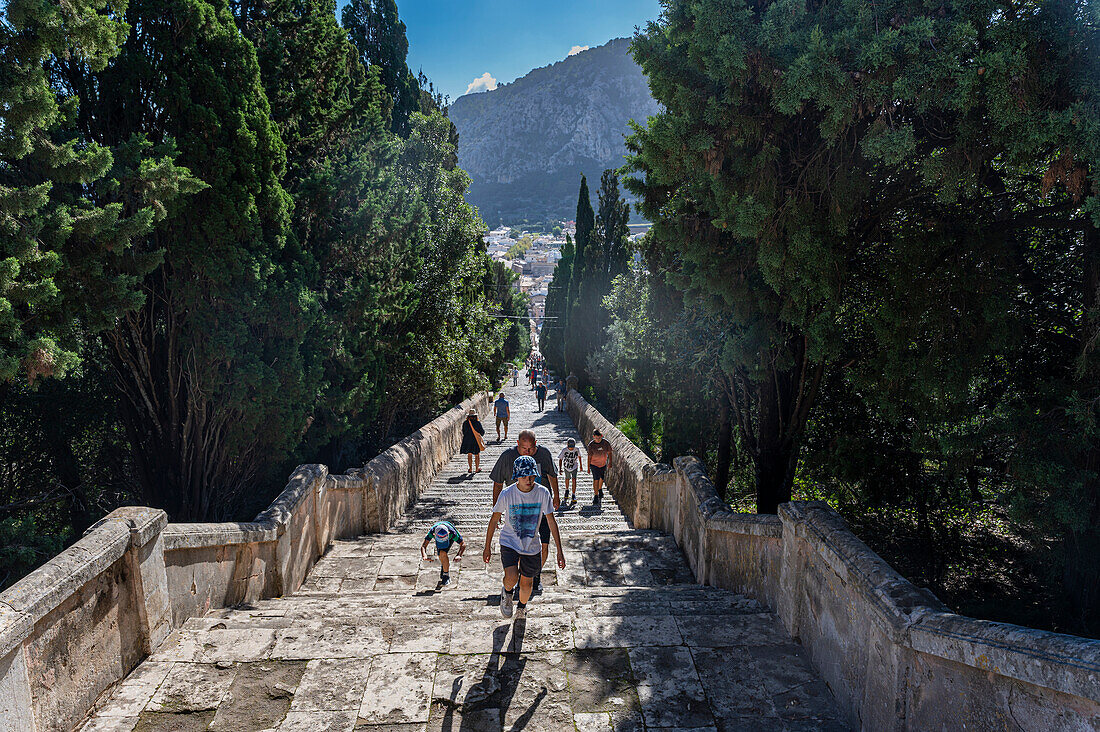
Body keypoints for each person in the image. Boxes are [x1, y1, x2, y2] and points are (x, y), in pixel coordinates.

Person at [483, 456, 565, 619]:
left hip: (532, 545)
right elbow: (494, 520)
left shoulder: (542, 492)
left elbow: (551, 521)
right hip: (509, 542)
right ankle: (507, 593)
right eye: (524, 476)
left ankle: (521, 606)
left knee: (526, 584)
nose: (528, 480)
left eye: (531, 476)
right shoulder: (507, 493)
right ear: (516, 476)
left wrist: (559, 551)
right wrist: (487, 547)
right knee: (511, 576)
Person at [490, 430, 559, 595]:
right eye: (523, 448)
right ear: (517, 443)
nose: (528, 452)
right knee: (521, 547)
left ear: (536, 444)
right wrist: (496, 509)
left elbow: (552, 475)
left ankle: (535, 576)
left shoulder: (544, 454)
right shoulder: (507, 457)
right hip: (517, 511)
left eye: (531, 448)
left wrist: (556, 496)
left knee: (543, 545)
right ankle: (520, 578)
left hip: (540, 509)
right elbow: (498, 483)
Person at [421, 520, 465, 586]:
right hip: (440, 537)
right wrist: (424, 555)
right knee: (441, 555)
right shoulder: (432, 531)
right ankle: (445, 566)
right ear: (434, 535)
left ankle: (446, 576)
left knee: (443, 553)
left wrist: (459, 555)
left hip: (448, 539)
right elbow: (423, 546)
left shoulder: (453, 533)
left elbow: (463, 544)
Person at [586, 429, 613, 504]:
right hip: (594, 465)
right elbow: (589, 457)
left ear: (601, 436)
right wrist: (588, 467)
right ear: (593, 437)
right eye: (596, 438)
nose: (598, 440)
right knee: (596, 479)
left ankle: (600, 489)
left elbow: (610, 452)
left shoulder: (605, 443)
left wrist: (610, 462)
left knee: (601, 478)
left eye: (599, 438)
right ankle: (596, 495)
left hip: (603, 464)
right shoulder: (591, 445)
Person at [460, 408, 485, 472]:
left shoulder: (465, 423)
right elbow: (482, 432)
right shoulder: (477, 423)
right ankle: (477, 469)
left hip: (467, 440)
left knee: (469, 454)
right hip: (475, 441)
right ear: (475, 416)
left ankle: (470, 468)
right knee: (477, 455)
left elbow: (463, 432)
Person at [558, 438, 581, 504]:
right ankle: (567, 490)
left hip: (574, 467)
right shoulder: (564, 450)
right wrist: (560, 469)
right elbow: (560, 459)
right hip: (566, 467)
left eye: (572, 447)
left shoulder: (577, 449)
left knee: (574, 480)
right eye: (570, 447)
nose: (571, 449)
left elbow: (579, 456)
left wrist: (581, 466)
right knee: (567, 479)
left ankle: (573, 494)